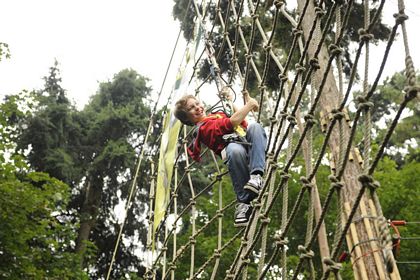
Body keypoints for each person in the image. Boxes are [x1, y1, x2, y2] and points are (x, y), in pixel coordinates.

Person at [173, 90, 267, 227]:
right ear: (187, 119)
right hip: (237, 157)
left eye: (197, 104)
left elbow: (241, 122)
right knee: (234, 149)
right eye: (191, 108)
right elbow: (233, 121)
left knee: (255, 127)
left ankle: (256, 176)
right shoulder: (203, 128)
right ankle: (244, 203)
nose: (197, 108)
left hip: (252, 150)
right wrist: (250, 105)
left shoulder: (216, 115)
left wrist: (230, 101)